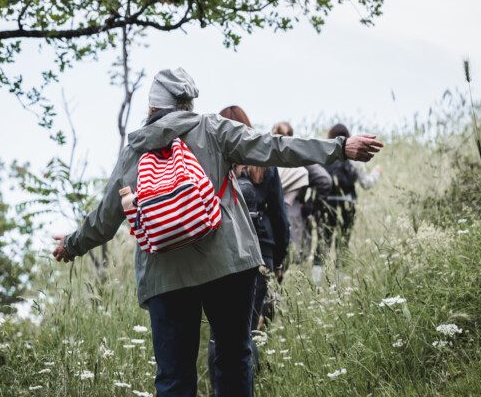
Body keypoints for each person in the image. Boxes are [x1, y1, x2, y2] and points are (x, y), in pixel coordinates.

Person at [52, 68, 383, 397]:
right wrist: (340, 148)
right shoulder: (212, 128)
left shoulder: (133, 151)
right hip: (228, 264)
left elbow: (106, 218)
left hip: (165, 275)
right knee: (234, 359)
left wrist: (72, 244)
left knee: (173, 377)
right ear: (188, 103)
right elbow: (275, 147)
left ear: (152, 107)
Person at [207, 106, 290, 395]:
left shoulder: (212, 162)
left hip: (220, 256)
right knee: (247, 332)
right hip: (259, 255)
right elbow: (280, 217)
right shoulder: (263, 165)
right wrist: (279, 260)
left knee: (217, 336)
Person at [272, 122, 332, 284]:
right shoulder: (299, 156)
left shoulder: (266, 155)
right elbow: (324, 180)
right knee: (291, 267)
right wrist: (309, 207)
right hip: (293, 215)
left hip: (266, 219)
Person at [322, 123, 382, 269]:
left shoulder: (323, 156)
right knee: (343, 244)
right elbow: (366, 184)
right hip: (347, 205)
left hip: (326, 205)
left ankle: (316, 282)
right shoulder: (354, 158)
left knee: (323, 244)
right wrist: (376, 173)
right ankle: (339, 281)